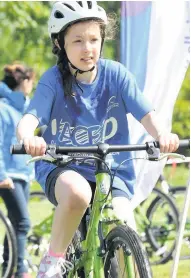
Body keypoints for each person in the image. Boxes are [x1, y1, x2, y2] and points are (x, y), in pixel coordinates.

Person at [16, 1, 179, 277]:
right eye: (77, 40)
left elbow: (147, 114)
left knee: (126, 226)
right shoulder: (53, 80)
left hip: (113, 170)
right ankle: (53, 261)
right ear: (60, 44)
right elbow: (30, 119)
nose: (87, 48)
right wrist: (28, 138)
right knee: (79, 193)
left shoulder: (116, 75)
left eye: (93, 39)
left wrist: (162, 135)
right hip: (63, 167)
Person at [0, 62, 35, 278]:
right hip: (8, 175)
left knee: (15, 223)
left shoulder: (23, 108)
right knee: (23, 222)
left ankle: (8, 267)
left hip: (22, 174)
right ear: (24, 82)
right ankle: (20, 270)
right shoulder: (3, 108)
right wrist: (1, 174)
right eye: (32, 81)